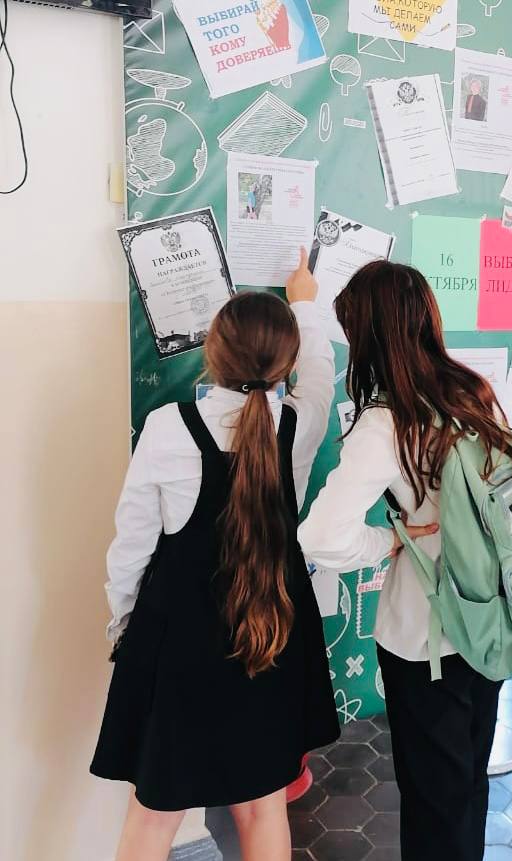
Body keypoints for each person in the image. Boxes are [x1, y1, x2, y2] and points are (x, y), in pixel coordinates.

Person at [91, 250, 340, 861]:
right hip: (272, 636)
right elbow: (321, 373)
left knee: (154, 815)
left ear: (213, 351)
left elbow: (131, 548)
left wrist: (123, 629)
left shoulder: (167, 427)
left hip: (180, 643)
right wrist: (304, 305)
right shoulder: (300, 425)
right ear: (286, 365)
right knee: (262, 809)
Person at [298, 260, 512, 861]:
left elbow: (320, 536)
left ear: (371, 336)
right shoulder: (473, 392)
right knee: (468, 783)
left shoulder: (387, 422)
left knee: (433, 800)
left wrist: (389, 542)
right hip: (490, 618)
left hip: (426, 637)